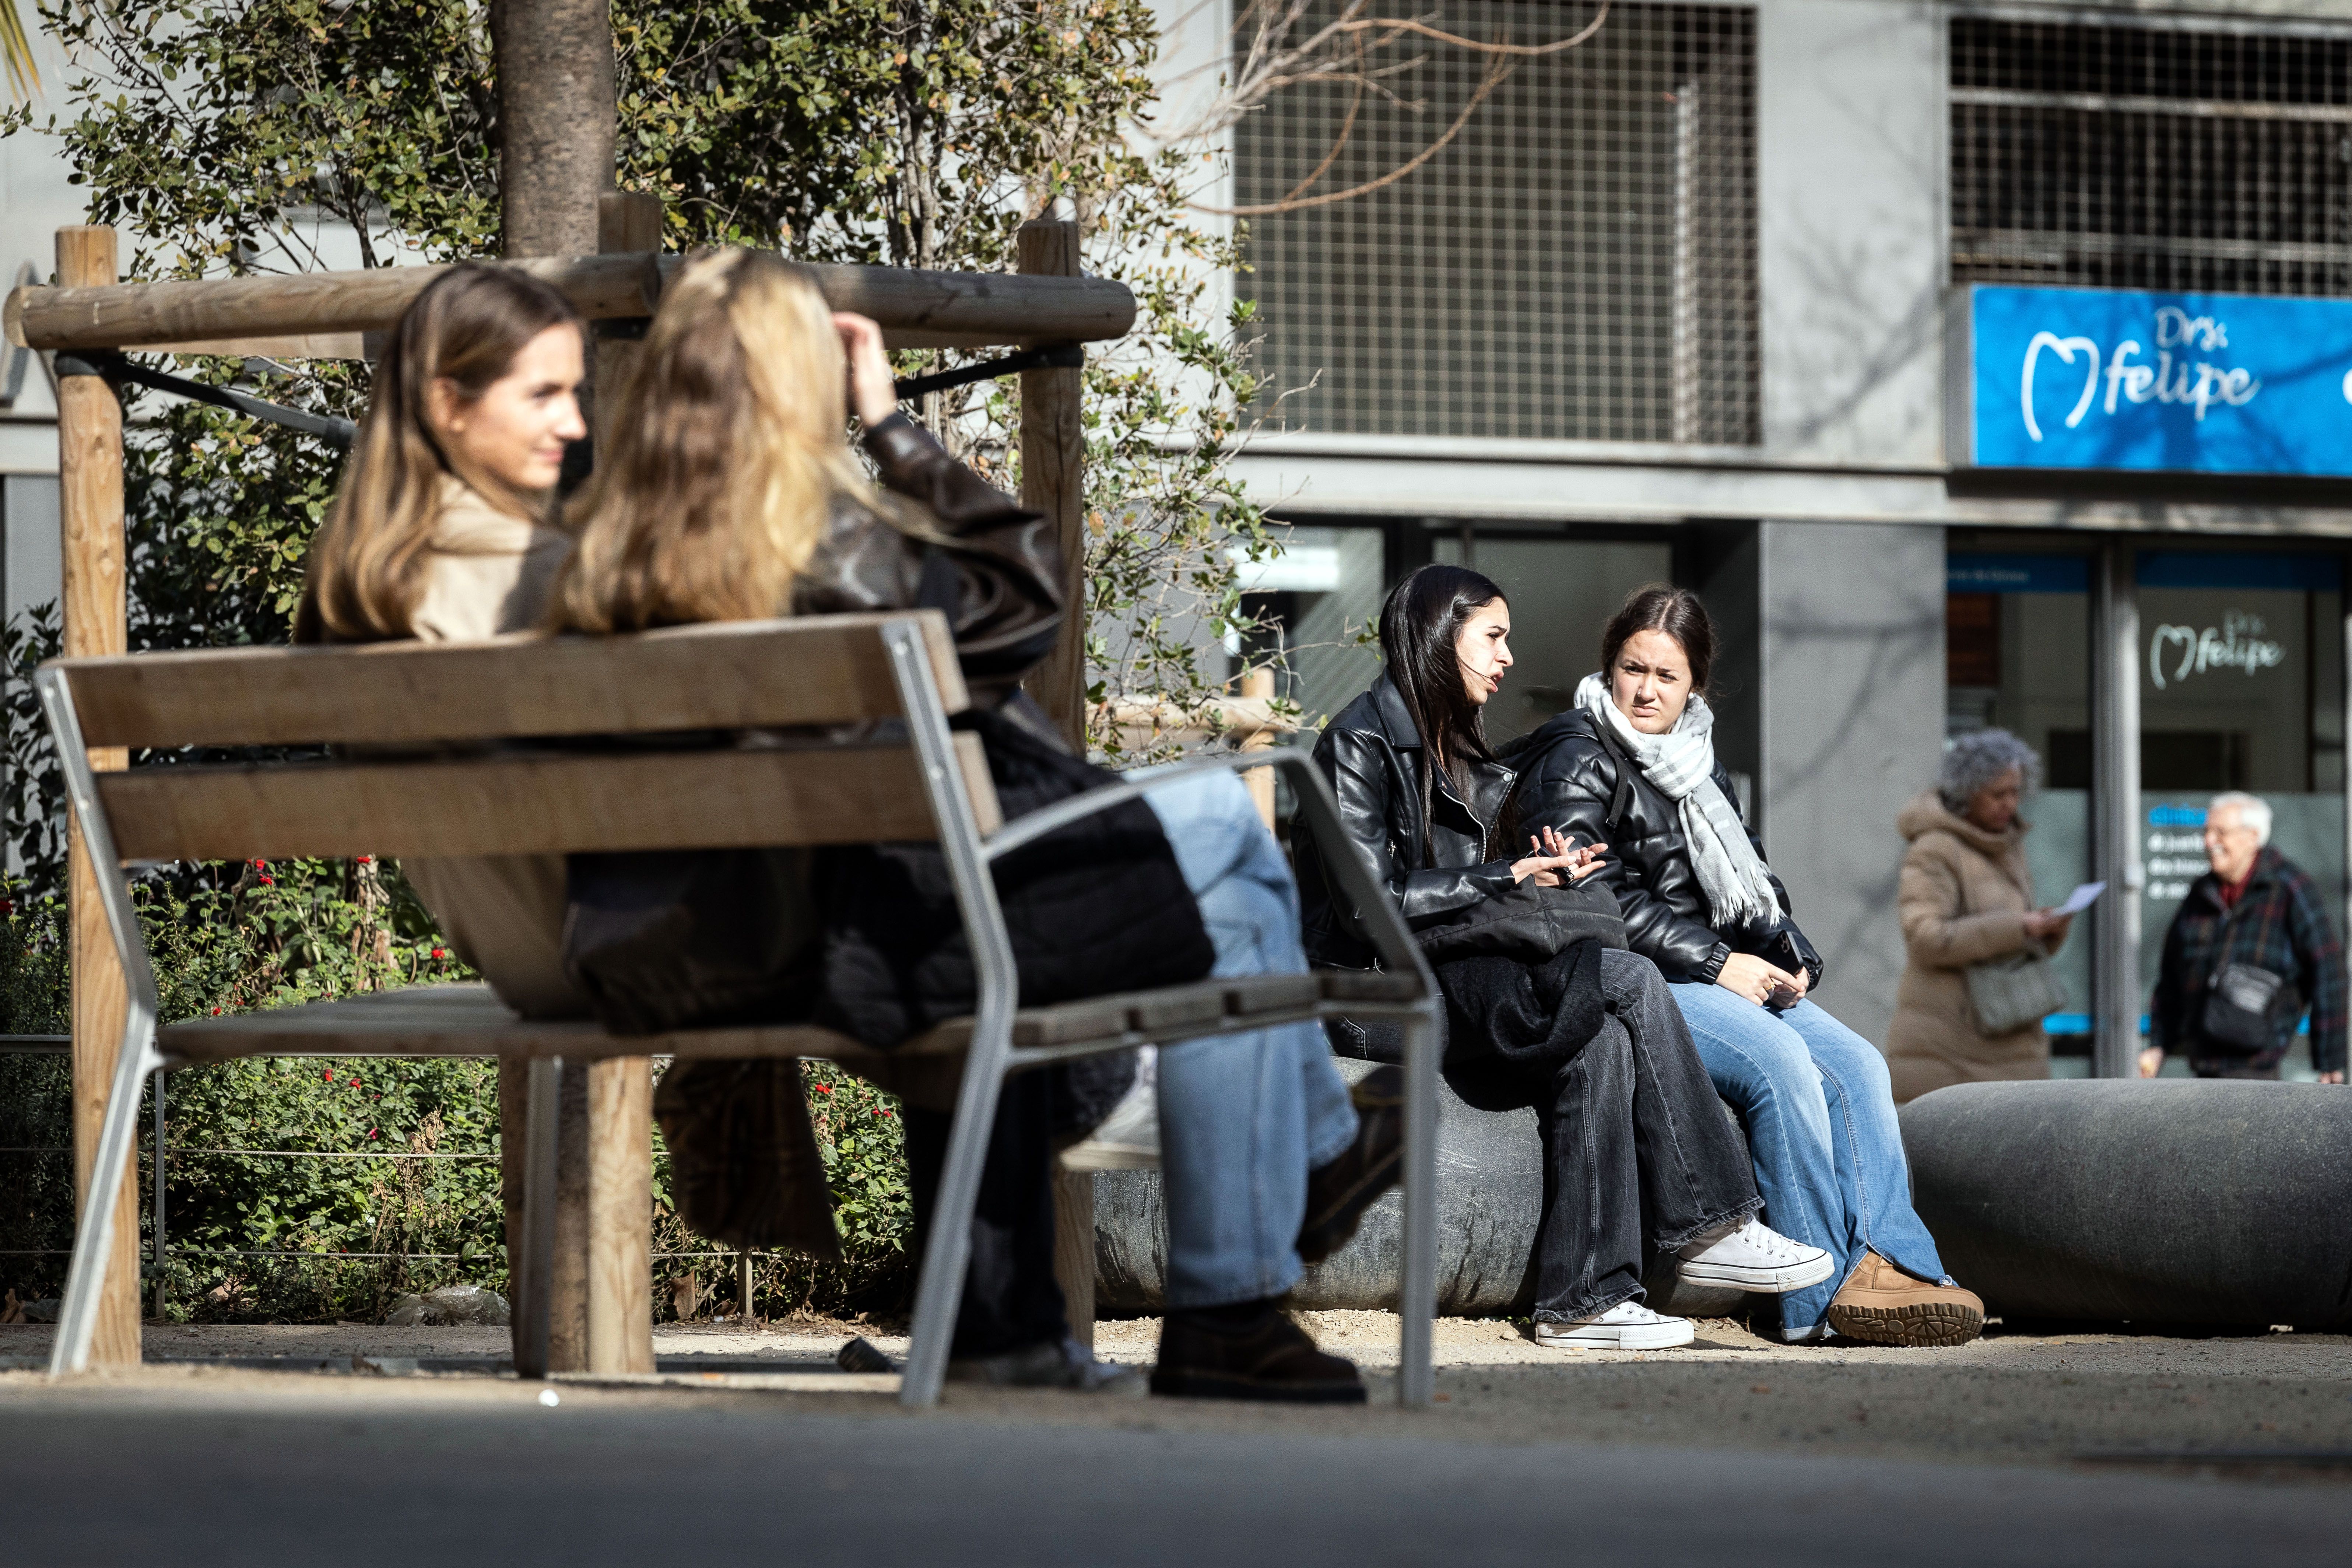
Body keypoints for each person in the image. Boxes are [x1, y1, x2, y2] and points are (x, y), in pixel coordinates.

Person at [547, 246, 1398, 1402]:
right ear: (801, 380)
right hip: (872, 947)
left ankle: (1015, 1330)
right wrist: (892, 426)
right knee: (1228, 837)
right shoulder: (830, 551)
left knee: (1116, 884)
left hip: (729, 944)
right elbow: (1026, 598)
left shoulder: (604, 559)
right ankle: (1247, 1274)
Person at [1294, 564, 1833, 1351]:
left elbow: (1472, 890)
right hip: (1372, 992)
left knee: (1602, 1034)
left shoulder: (1458, 751)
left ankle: (1583, 1299)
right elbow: (1366, 904)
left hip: (1453, 970)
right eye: (1494, 637)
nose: (1509, 657)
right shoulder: (1356, 741)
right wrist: (1501, 874)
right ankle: (1710, 1221)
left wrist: (1542, 867)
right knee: (1625, 974)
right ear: (1442, 637)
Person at [1505, 585, 1985, 1347]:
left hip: (1713, 967)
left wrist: (1789, 954)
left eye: (1666, 675)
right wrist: (1722, 961)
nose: (1646, 689)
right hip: (1636, 977)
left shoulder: (1697, 765)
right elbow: (1590, 901)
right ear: (1609, 666)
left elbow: (1752, 884)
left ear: (1694, 682)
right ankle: (1824, 1295)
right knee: (1779, 1062)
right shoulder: (1574, 755)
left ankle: (1898, 1263)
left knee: (1859, 1064)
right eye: (1633, 668)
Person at [1884, 729, 2075, 1102]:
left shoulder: (2006, 845)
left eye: (2015, 792)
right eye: (1997, 794)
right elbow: (1925, 938)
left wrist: (2043, 931)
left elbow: (2007, 941)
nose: (2009, 803)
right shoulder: (1934, 849)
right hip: (1953, 1046)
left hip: (2011, 1036)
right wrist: (2019, 927)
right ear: (1967, 791)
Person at [2144, 792, 2347, 1084]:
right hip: (2203, 1067)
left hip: (2258, 1069)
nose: (2208, 841)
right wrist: (2158, 1044)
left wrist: (2330, 1061)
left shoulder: (2289, 888)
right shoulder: (2200, 894)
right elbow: (2170, 980)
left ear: (2252, 837)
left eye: (2220, 832)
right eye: (2207, 832)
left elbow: (2329, 971)